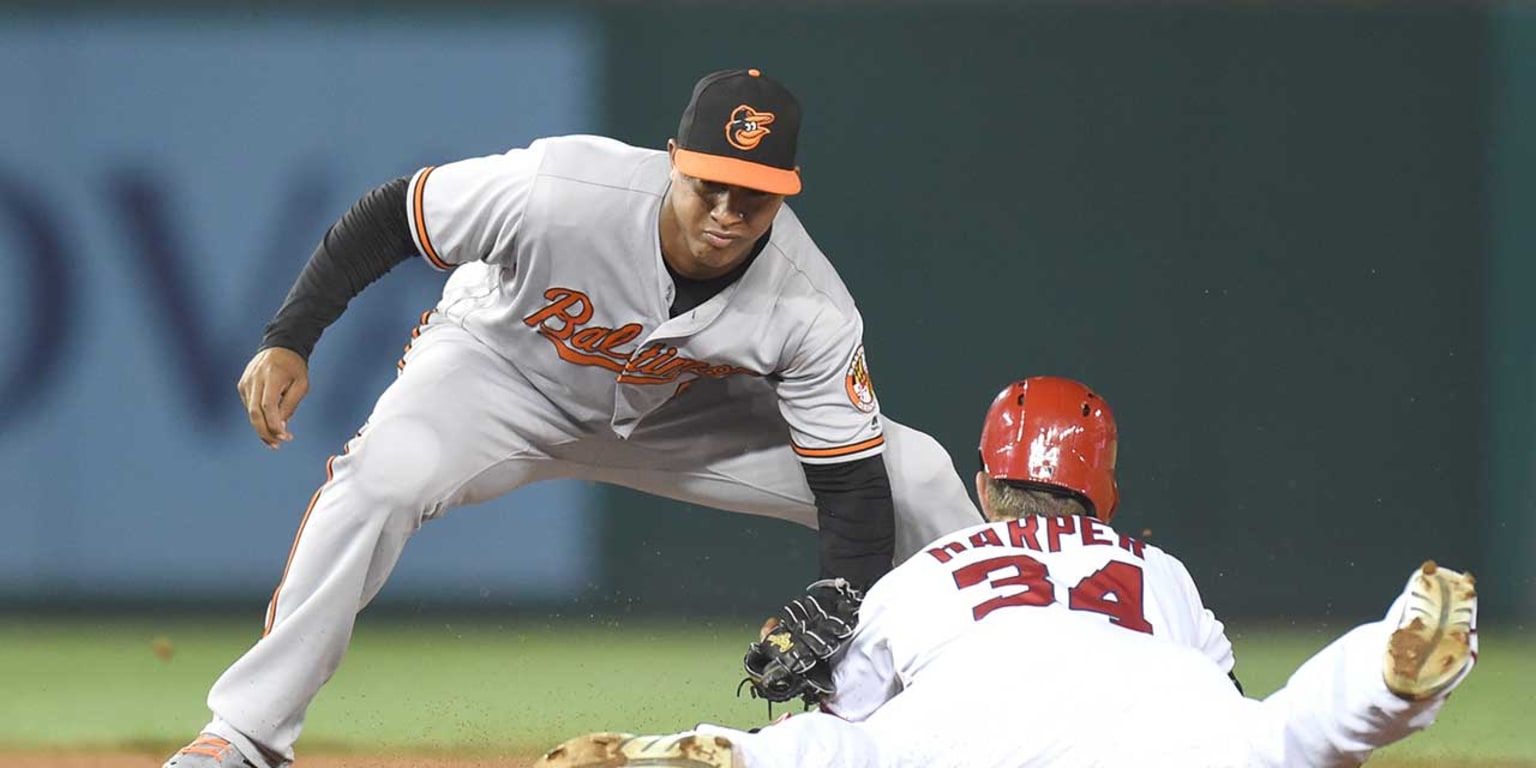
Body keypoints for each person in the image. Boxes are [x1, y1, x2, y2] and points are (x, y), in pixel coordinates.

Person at [161, 69, 982, 768]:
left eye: (756, 195)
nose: (729, 212)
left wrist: (845, 591)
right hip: (495, 376)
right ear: (672, 163)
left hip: (676, 416)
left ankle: (999, 700)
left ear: (787, 188)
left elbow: (849, 488)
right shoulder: (562, 188)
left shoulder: (810, 302)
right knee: (379, 481)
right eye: (710, 185)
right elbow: (392, 216)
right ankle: (243, 736)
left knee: (915, 472)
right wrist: (290, 338)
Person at [537, 376, 1479, 768]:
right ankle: (1379, 668)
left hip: (976, 716)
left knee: (843, 757)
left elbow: (848, 713)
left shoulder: (934, 566)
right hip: (1158, 715)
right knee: (1277, 738)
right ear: (1101, 497)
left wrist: (794, 705)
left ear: (987, 486)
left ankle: (714, 754)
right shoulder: (1158, 570)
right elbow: (1221, 696)